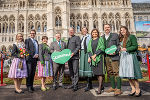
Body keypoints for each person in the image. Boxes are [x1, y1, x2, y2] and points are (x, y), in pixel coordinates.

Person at [119, 26, 143, 97]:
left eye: (123, 30)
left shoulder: (131, 36)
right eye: (121, 30)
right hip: (124, 57)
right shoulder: (121, 39)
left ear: (126, 30)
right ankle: (133, 89)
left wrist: (126, 49)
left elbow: (135, 46)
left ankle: (138, 89)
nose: (122, 31)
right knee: (128, 74)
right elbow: (121, 48)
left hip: (130, 56)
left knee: (133, 74)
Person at [102, 24, 122, 96]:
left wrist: (116, 51)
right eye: (105, 27)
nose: (107, 28)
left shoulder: (115, 35)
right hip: (106, 57)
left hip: (114, 56)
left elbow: (118, 45)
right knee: (110, 72)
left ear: (110, 28)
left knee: (116, 72)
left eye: (108, 27)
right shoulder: (102, 37)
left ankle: (119, 88)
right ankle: (113, 87)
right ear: (103, 28)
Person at [87, 29, 105, 94]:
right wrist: (92, 56)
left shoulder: (100, 39)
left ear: (97, 33)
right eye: (93, 32)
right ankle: (102, 86)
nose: (94, 33)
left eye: (96, 32)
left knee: (100, 73)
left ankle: (99, 88)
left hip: (99, 57)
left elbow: (102, 48)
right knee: (97, 73)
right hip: (93, 58)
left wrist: (95, 55)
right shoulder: (90, 41)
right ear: (91, 34)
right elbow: (89, 50)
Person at [79, 27, 93, 92]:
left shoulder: (89, 37)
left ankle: (89, 84)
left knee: (88, 69)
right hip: (82, 53)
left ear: (87, 30)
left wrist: (90, 56)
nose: (84, 31)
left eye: (85, 30)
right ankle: (89, 84)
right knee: (84, 68)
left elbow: (90, 46)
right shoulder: (82, 37)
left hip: (87, 53)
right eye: (83, 30)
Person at [67, 27, 81, 91]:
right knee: (71, 71)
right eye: (70, 31)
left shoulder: (77, 38)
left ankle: (76, 85)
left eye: (72, 30)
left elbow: (78, 46)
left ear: (74, 31)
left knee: (75, 71)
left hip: (75, 57)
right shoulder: (69, 39)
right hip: (69, 58)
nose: (71, 32)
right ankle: (73, 83)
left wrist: (73, 53)